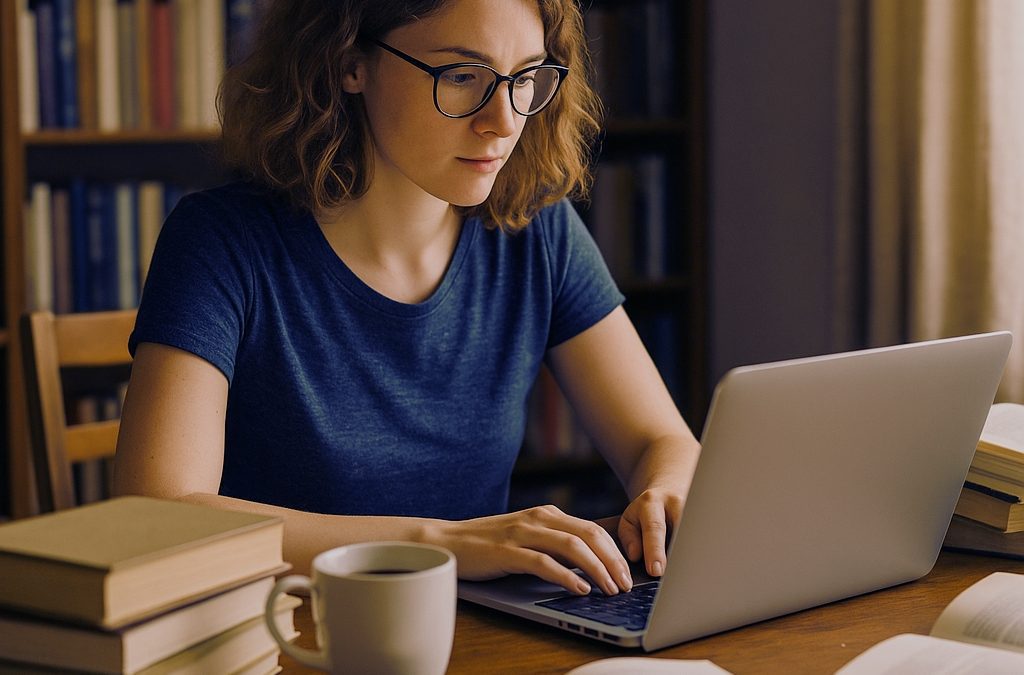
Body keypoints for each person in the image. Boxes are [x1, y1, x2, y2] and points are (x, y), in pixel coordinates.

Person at [112, 0, 701, 598]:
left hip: (474, 639)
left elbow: (661, 441)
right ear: (349, 63)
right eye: (462, 76)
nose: (503, 120)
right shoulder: (222, 241)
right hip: (291, 642)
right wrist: (434, 546)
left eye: (525, 78)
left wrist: (665, 496)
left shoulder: (536, 231)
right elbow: (159, 515)